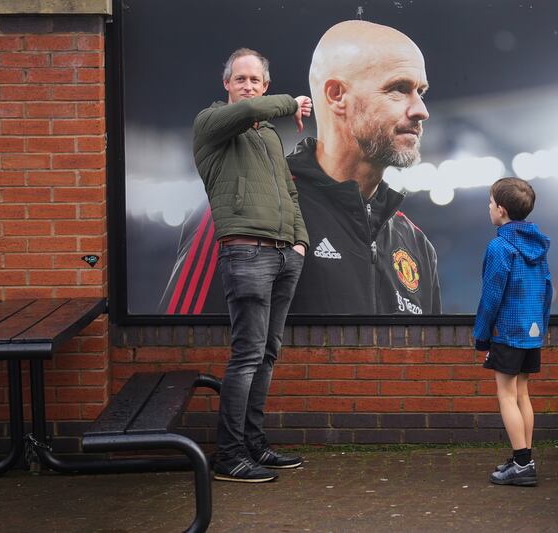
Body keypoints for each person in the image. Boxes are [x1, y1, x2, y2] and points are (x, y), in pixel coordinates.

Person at [193, 47, 312, 482]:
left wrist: (300, 242)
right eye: (240, 79)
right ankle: (229, 455)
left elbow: (290, 193)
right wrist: (291, 102)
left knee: (266, 354)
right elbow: (250, 111)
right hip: (245, 252)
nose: (248, 86)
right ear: (227, 84)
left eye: (255, 80)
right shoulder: (211, 123)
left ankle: (254, 446)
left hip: (284, 254)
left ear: (263, 83)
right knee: (246, 355)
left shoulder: (268, 136)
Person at [287, 20, 441, 315]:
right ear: (336, 95)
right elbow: (180, 350)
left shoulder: (417, 245)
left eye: (421, 92)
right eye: (399, 88)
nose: (421, 110)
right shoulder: (254, 213)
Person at [472, 177, 552, 486]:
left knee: (506, 395)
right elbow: (548, 290)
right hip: (532, 332)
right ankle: (525, 457)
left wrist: (482, 335)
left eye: (490, 203)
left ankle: (521, 465)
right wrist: (540, 329)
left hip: (507, 332)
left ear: (502, 211)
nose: (489, 208)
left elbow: (491, 297)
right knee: (522, 393)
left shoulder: (500, 246)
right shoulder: (538, 247)